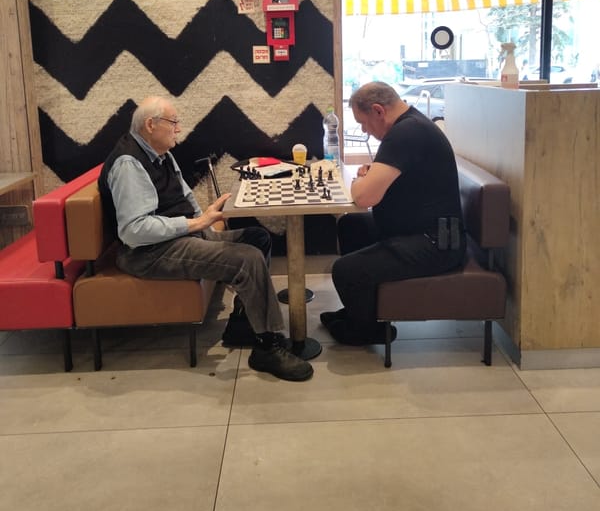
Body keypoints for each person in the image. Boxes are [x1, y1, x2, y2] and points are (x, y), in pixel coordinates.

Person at [98, 96, 313, 382]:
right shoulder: (129, 164)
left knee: (256, 238)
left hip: (177, 239)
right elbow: (134, 230)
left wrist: (205, 224)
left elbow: (184, 196)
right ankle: (267, 347)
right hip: (147, 253)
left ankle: (244, 324)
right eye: (173, 122)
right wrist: (196, 224)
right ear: (151, 125)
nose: (178, 128)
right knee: (245, 259)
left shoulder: (159, 154)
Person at [321, 81, 466, 346]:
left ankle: (368, 331)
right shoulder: (410, 126)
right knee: (350, 226)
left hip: (436, 243)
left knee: (344, 271)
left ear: (378, 110)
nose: (365, 131)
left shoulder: (406, 134)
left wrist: (358, 183)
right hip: (422, 231)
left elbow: (365, 196)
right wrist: (367, 179)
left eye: (363, 123)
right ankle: (362, 312)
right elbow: (380, 178)